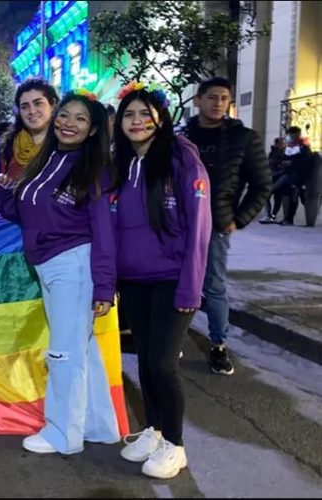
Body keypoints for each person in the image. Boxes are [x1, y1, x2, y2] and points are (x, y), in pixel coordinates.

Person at [0, 88, 120, 455]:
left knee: (64, 353)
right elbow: (26, 210)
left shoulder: (94, 170)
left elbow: (104, 232)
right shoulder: (48, 160)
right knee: (82, 348)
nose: (69, 124)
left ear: (93, 130)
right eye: (65, 115)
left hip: (74, 265)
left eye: (80, 119)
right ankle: (99, 426)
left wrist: (105, 286)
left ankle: (62, 434)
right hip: (48, 265)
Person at [111, 82, 211, 479]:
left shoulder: (182, 159)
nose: (136, 121)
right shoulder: (121, 162)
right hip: (134, 281)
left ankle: (175, 444)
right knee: (145, 362)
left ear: (161, 118)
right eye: (129, 115)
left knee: (163, 364)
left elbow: (200, 229)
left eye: (144, 114)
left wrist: (191, 286)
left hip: (172, 280)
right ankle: (153, 431)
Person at [180, 77, 271, 375]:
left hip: (215, 225)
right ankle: (173, 341)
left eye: (223, 98)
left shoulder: (243, 138)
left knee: (214, 287)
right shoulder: (181, 136)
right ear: (198, 100)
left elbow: (262, 184)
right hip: (177, 222)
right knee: (173, 282)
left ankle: (218, 345)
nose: (218, 103)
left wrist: (239, 219)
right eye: (212, 97)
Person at [1, 79, 59, 180]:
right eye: (25, 107)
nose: (32, 111)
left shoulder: (63, 146)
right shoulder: (10, 145)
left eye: (38, 103)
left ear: (52, 104)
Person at [270, 127, 314, 226]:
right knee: (286, 194)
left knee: (293, 195)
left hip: (297, 176)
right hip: (287, 173)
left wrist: (291, 163)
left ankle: (290, 218)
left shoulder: (303, 147)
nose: (288, 137)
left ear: (296, 135)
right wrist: (283, 163)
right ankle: (287, 218)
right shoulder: (289, 147)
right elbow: (284, 159)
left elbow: (305, 163)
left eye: (290, 134)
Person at [260, 137, 286, 224]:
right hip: (272, 176)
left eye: (283, 143)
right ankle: (268, 215)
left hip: (279, 177)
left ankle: (273, 216)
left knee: (277, 197)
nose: (282, 145)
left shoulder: (285, 152)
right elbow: (270, 163)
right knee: (267, 196)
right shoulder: (273, 152)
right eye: (281, 143)